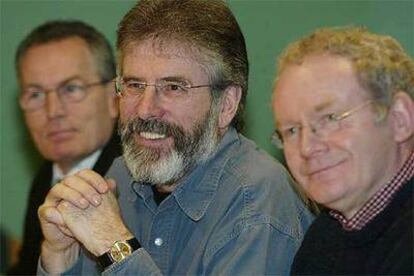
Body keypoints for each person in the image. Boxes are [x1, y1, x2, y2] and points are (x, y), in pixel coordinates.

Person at [37, 1, 314, 275]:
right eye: (134, 85)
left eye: (173, 87)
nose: (145, 110)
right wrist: (61, 259)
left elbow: (116, 248)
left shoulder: (256, 205)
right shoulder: (120, 177)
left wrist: (117, 247)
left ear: (226, 104)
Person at [272, 26, 414, 275]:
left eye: (330, 118)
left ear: (400, 119)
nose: (307, 148)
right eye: (292, 130)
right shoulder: (324, 236)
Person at [7, 20, 121, 275]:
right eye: (35, 94)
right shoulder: (48, 175)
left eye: (71, 89)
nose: (52, 111)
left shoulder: (137, 179)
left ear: (114, 98)